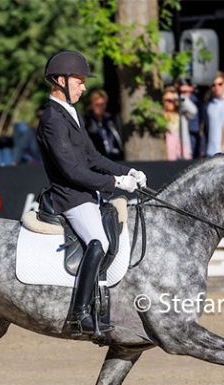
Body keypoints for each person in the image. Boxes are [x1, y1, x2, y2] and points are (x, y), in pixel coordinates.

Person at [36, 50, 146, 339]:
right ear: (61, 80)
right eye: (80, 81)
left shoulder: (71, 114)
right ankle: (80, 314)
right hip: (70, 197)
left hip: (86, 194)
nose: (84, 87)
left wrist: (127, 171)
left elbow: (93, 157)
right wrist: (116, 183)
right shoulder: (52, 120)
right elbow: (73, 171)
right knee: (97, 241)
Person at [84, 89, 125, 161]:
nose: (100, 108)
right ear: (92, 105)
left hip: (115, 157)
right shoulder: (87, 122)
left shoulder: (110, 121)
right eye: (97, 105)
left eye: (102, 104)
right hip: (98, 158)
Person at [162, 85, 197, 160]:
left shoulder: (181, 114)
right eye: (167, 100)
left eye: (172, 100)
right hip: (167, 154)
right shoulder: (161, 115)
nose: (170, 103)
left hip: (183, 151)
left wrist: (180, 97)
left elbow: (194, 111)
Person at [203, 70, 224, 157]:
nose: (216, 87)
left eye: (220, 84)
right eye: (213, 85)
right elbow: (205, 129)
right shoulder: (207, 103)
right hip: (211, 152)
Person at [174, 77, 204, 158]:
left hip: (191, 136)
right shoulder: (174, 101)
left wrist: (182, 98)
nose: (185, 94)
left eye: (186, 91)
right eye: (182, 92)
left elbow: (194, 112)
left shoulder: (195, 101)